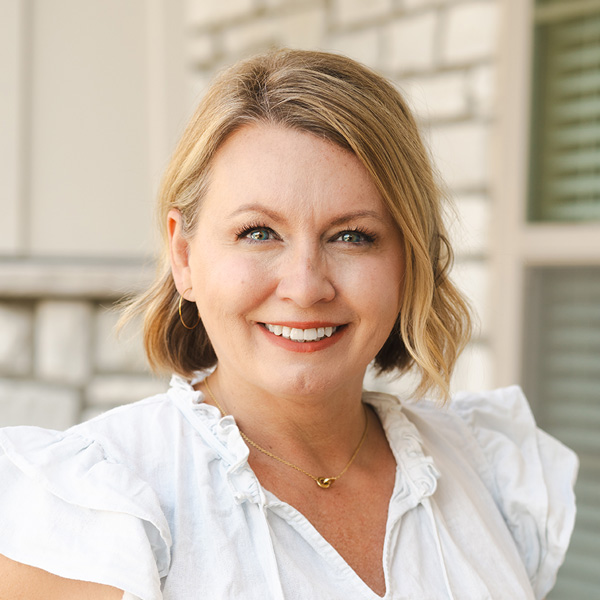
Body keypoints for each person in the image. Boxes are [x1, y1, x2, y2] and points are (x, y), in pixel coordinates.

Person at [0, 49, 577, 600]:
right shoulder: (92, 515)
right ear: (183, 256)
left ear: (409, 261)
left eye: (353, 236)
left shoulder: (491, 474)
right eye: (258, 232)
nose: (305, 286)